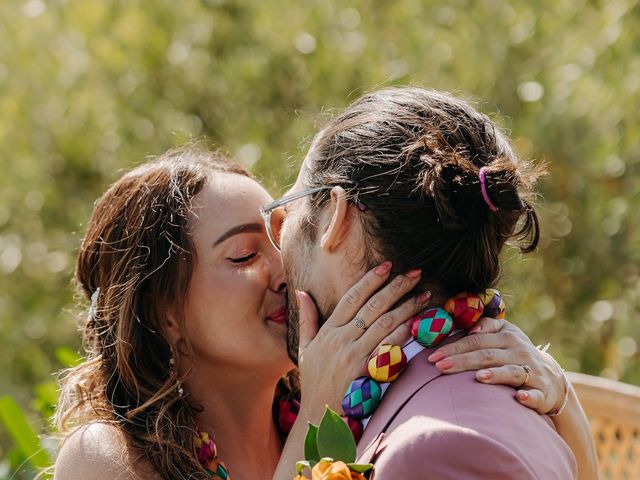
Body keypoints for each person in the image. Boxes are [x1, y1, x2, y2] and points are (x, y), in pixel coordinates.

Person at [53, 147, 588, 477]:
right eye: (243, 255)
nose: (285, 271)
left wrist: (560, 398)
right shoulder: (109, 459)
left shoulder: (361, 417)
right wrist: (316, 412)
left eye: (281, 240)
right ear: (162, 310)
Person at [270, 87, 598, 479]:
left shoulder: (440, 448)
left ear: (334, 218)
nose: (276, 252)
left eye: (285, 210)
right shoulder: (422, 404)